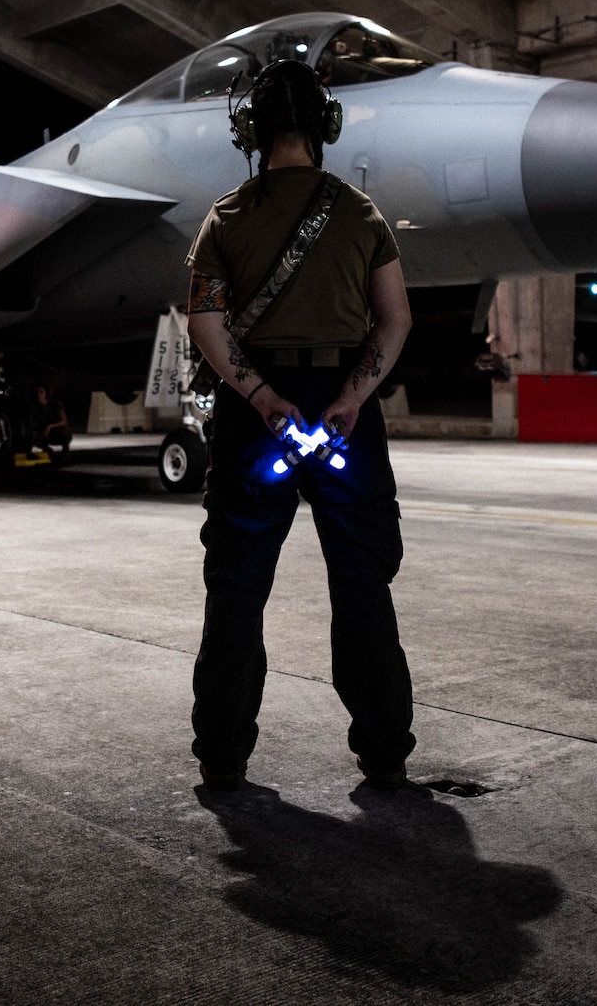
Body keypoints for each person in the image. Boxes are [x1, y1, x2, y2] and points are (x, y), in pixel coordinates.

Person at [183, 58, 416, 792]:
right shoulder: (359, 213)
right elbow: (395, 318)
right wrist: (349, 397)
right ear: (328, 126)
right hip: (345, 405)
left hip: (259, 416)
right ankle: (383, 750)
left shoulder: (225, 217)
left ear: (249, 130)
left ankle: (223, 753)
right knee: (362, 582)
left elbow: (206, 324)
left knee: (237, 586)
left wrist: (259, 398)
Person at [28, 382, 71, 452]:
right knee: (30, 435)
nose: (38, 395)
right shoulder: (33, 407)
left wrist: (49, 427)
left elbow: (64, 421)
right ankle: (46, 449)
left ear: (46, 393)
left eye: (41, 392)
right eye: (37, 393)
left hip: (54, 431)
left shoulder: (55, 404)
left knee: (65, 431)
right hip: (42, 432)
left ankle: (65, 450)